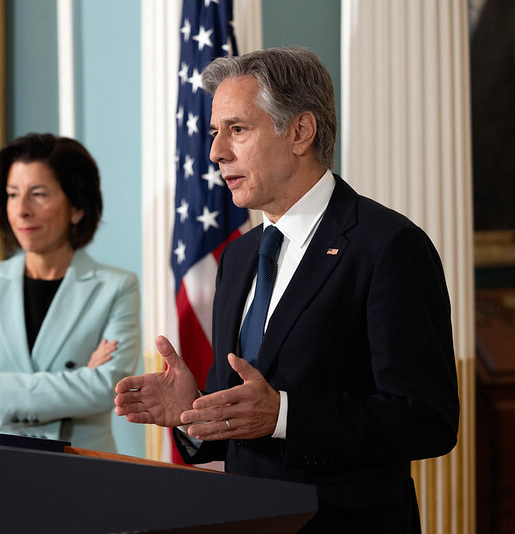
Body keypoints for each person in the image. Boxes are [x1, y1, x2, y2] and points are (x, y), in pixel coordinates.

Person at [114, 47, 459, 532]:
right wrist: (193, 413)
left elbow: (428, 420)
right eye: (216, 133)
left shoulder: (388, 246)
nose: (215, 152)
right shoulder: (237, 257)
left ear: (300, 132)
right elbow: (242, 421)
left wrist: (284, 416)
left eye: (237, 129)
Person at [0, 133, 140, 453]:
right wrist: (73, 393)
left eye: (38, 194)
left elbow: (107, 390)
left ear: (76, 207)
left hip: (81, 467)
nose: (22, 210)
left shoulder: (116, 286)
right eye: (12, 194)